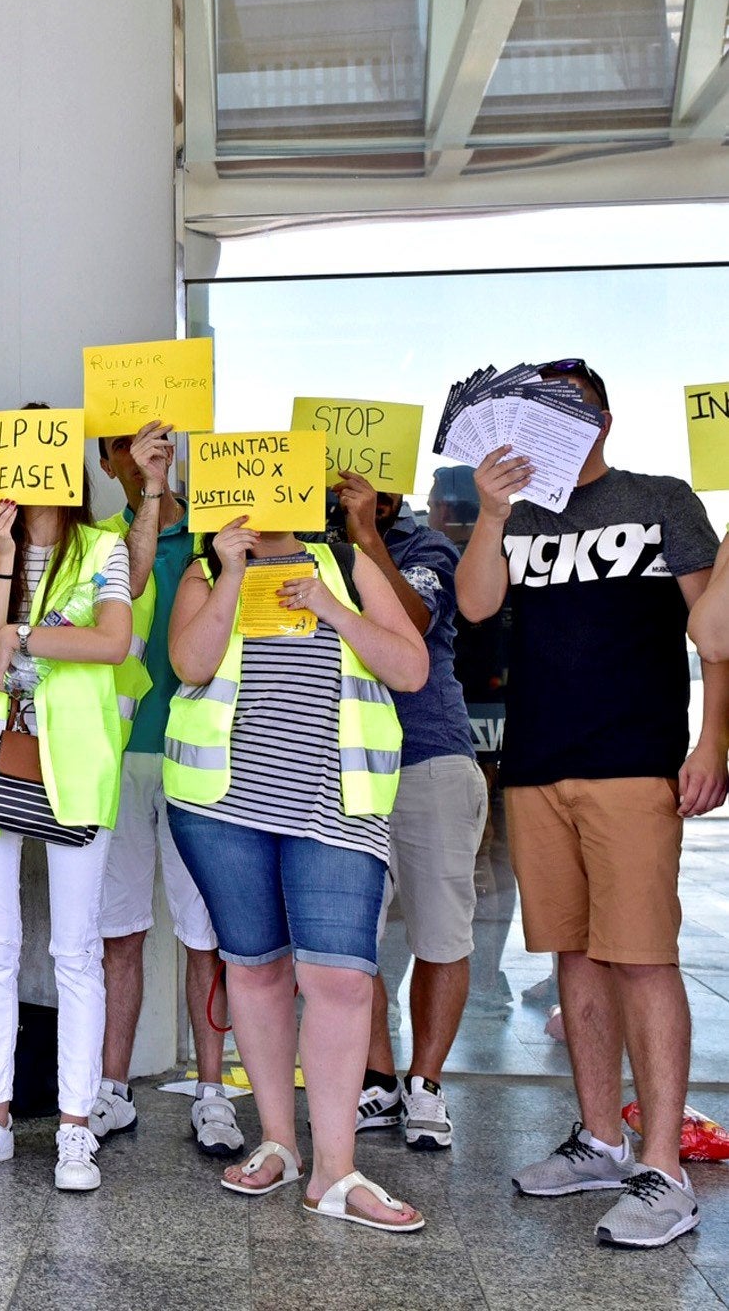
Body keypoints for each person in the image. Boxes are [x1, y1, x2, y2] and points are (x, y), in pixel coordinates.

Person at [455, 359, 727, 1249]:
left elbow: (716, 640)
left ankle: (663, 1167)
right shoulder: (517, 514)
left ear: (600, 418)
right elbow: (474, 605)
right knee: (570, 954)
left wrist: (710, 745)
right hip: (537, 765)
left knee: (642, 956)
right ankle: (600, 1142)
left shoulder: (660, 496)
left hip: (631, 763)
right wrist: (491, 512)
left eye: (562, 407)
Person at [164, 513, 429, 1232]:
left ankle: (335, 1171)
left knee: (339, 977)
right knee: (253, 968)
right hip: (223, 801)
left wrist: (326, 604)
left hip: (335, 801)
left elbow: (408, 669)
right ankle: (278, 1140)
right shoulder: (205, 562)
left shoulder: (343, 562)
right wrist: (225, 572)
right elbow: (188, 665)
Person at [0, 490, 132, 1190]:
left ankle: (75, 1128)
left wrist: (24, 637)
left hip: (75, 764)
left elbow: (110, 642)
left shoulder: (103, 549)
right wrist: (2, 559)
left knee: (75, 951)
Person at [85, 425, 239, 1155]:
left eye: (157, 439)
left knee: (203, 934)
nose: (145, 450)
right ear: (107, 461)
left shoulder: (221, 533)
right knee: (118, 931)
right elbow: (134, 582)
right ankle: (111, 1091)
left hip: (203, 758)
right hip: (118, 758)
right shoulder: (101, 546)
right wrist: (150, 495)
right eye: (125, 443)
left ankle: (213, 1094)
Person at [334, 472, 487, 1152]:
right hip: (340, 761)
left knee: (440, 931)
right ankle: (376, 1076)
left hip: (427, 754)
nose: (359, 492)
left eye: (375, 486)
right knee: (346, 934)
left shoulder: (426, 548)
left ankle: (424, 1083)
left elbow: (416, 625)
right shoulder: (308, 548)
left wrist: (367, 536)